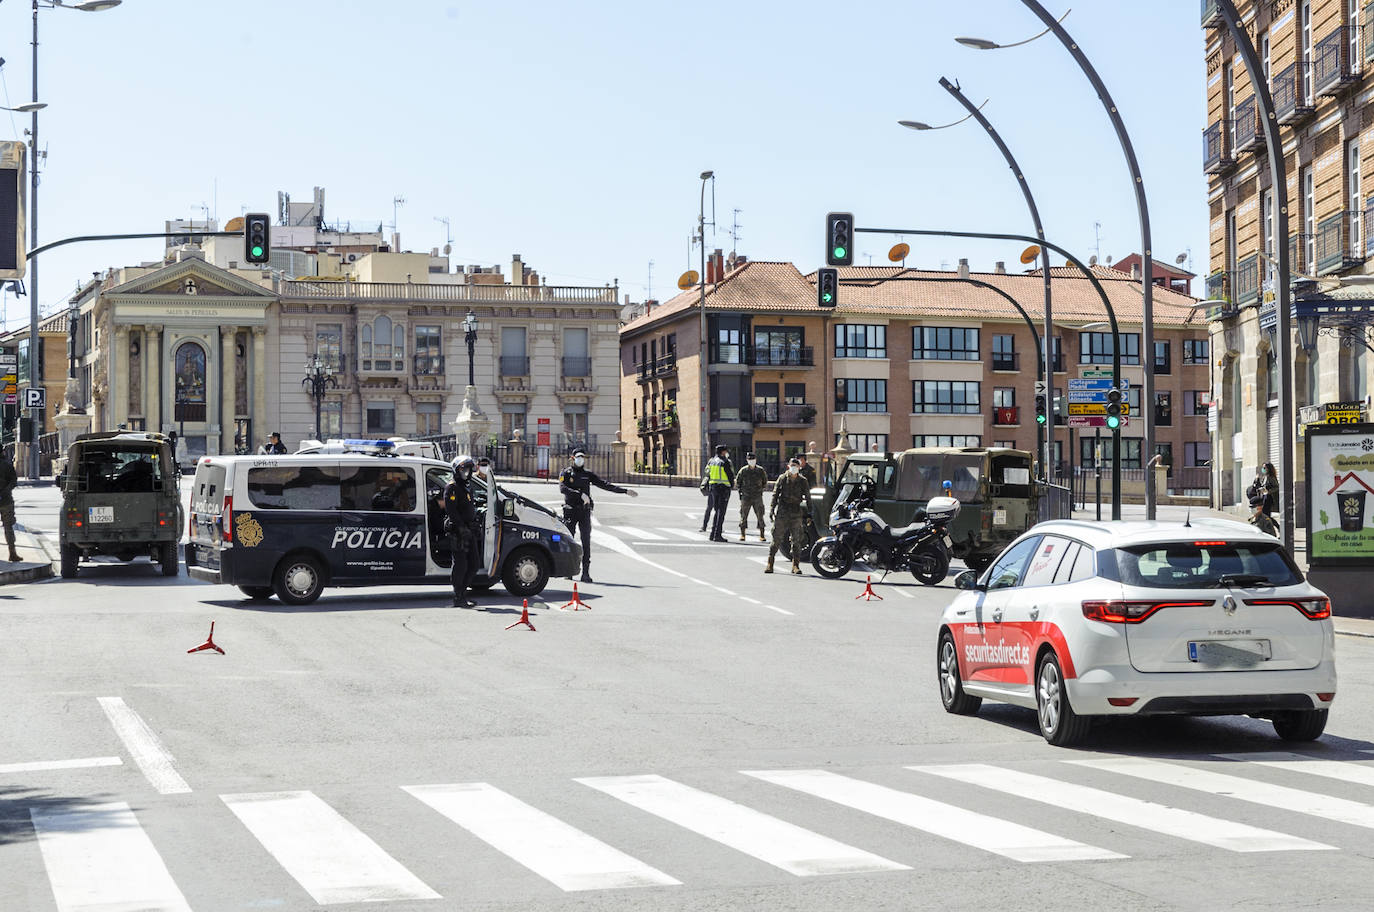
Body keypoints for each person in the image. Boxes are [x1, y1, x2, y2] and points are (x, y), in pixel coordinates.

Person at [559, 448, 638, 583]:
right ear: (572, 458)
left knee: (586, 542)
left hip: (584, 511)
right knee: (569, 541)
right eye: (578, 457)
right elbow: (563, 488)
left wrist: (624, 491)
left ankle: (586, 573)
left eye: (582, 457)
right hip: (570, 511)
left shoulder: (587, 474)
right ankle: (568, 571)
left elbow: (604, 484)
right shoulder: (566, 473)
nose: (580, 460)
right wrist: (580, 494)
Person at [444, 456, 481, 607]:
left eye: (468, 469)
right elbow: (451, 511)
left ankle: (463, 593)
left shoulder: (467, 486)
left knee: (475, 564)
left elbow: (470, 507)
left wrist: (475, 523)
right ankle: (458, 596)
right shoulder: (452, 487)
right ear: (456, 470)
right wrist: (461, 527)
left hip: (469, 530)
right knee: (460, 565)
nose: (466, 472)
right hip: (458, 531)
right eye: (463, 469)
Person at [766, 456, 810, 575]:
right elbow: (775, 495)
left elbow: (808, 497)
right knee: (777, 538)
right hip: (782, 512)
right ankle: (770, 563)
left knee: (797, 540)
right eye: (792, 466)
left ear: (799, 467)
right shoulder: (782, 478)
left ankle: (795, 565)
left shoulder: (803, 481)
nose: (794, 468)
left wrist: (810, 513)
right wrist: (771, 509)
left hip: (796, 513)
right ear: (788, 466)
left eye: (796, 466)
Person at [704, 444, 735, 542]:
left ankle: (713, 534)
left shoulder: (712, 461)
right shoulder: (724, 462)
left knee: (716, 511)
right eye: (726, 451)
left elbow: (707, 473)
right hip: (723, 488)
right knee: (721, 513)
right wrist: (731, 485)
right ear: (723, 452)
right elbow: (730, 475)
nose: (727, 453)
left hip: (713, 487)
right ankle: (717, 535)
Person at [734, 451, 768, 542]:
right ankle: (743, 534)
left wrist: (760, 490)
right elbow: (738, 482)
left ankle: (762, 534)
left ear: (755, 460)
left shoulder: (760, 470)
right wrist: (741, 492)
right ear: (747, 460)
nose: (751, 461)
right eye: (749, 459)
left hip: (757, 496)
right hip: (746, 497)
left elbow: (765, 481)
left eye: (753, 459)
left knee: (760, 515)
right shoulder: (743, 470)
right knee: (743, 515)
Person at [0, 451, 19, 562]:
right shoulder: (7, 464)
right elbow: (13, 481)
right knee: (8, 527)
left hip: (5, 498)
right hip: (6, 500)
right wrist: (5, 492)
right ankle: (12, 553)